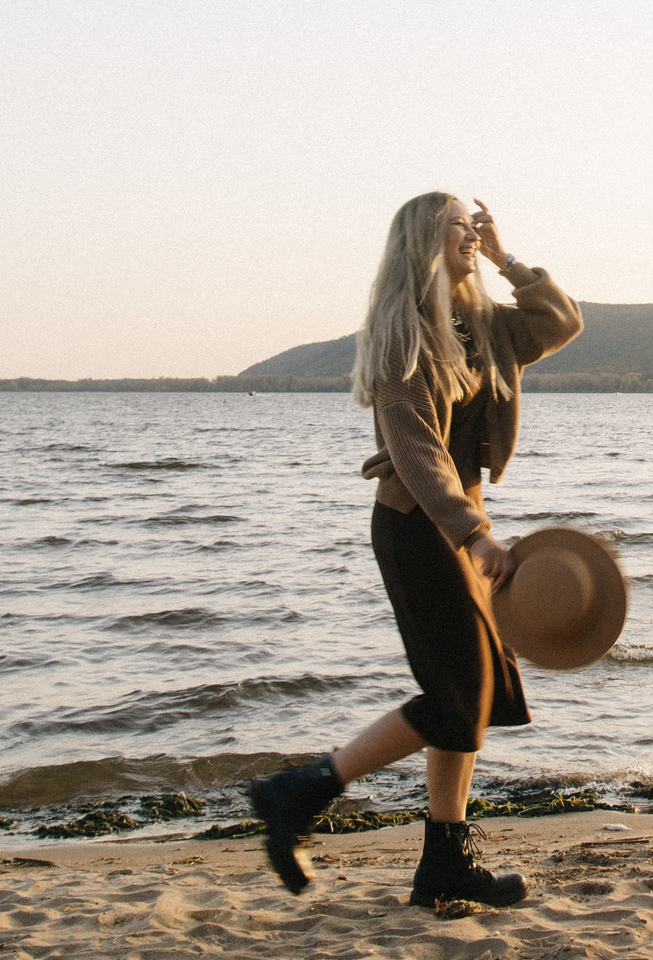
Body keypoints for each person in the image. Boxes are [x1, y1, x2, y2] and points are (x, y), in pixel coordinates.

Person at [245, 192, 582, 908]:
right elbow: (416, 449)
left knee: (475, 691)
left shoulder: (485, 323)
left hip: (461, 525)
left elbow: (562, 321)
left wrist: (506, 258)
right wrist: (473, 532)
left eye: (473, 224)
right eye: (459, 225)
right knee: (459, 696)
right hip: (418, 524)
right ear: (425, 239)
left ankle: (443, 861)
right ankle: (301, 789)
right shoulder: (404, 334)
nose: (471, 231)